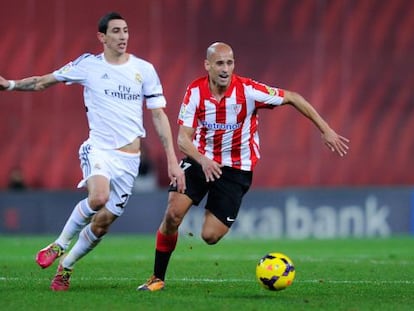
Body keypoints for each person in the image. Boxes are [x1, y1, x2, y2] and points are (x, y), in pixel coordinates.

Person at [137, 42, 350, 291]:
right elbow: (183, 138)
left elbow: (293, 97)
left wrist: (326, 130)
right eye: (220, 63)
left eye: (230, 62)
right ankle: (157, 278)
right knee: (173, 214)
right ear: (208, 65)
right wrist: (203, 160)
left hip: (236, 169)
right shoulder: (195, 91)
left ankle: (212, 206)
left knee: (210, 236)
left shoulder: (248, 90)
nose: (226, 68)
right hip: (200, 160)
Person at [0, 12, 185, 291]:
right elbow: (43, 81)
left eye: (125, 30)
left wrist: (172, 157)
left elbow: (159, 115)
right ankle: (59, 244)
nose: (123, 36)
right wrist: (11, 85)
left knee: (102, 225)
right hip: (99, 148)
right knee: (98, 197)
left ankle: (66, 268)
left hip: (130, 160)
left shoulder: (144, 70)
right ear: (102, 37)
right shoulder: (88, 66)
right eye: (116, 31)